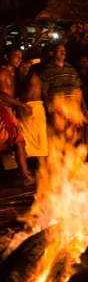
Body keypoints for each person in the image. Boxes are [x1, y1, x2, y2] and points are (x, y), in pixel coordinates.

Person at [0, 48, 35, 185]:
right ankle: (26, 175)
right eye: (16, 55)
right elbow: (1, 94)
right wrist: (21, 104)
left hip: (7, 109)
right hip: (2, 109)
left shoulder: (12, 72)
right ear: (6, 56)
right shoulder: (2, 72)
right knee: (17, 141)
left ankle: (24, 174)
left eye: (21, 56)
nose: (19, 58)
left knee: (15, 142)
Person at [16, 58, 48, 163]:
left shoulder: (33, 78)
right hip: (29, 108)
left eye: (27, 67)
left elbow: (28, 97)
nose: (25, 69)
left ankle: (40, 164)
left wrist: (16, 101)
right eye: (22, 67)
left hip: (32, 108)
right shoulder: (21, 79)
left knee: (38, 137)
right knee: (28, 137)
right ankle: (32, 164)